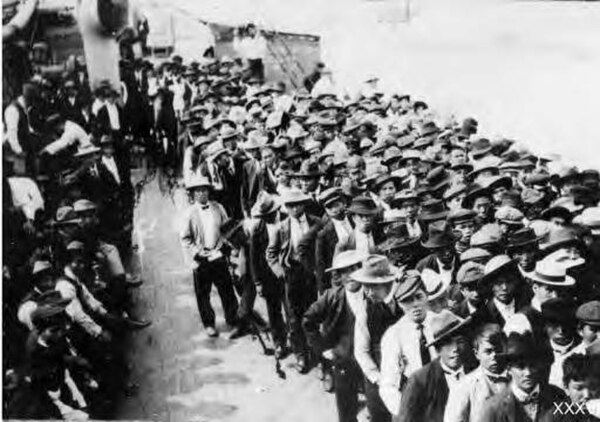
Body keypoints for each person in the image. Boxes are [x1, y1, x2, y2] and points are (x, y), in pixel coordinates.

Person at [303, 250, 365, 422]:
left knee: (379, 408)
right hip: (344, 360)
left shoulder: (372, 293)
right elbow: (308, 320)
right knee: (346, 410)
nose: (350, 276)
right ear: (339, 276)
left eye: (354, 269)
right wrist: (323, 349)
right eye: (345, 271)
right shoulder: (331, 297)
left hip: (372, 361)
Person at [266, 189, 322, 373]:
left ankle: (317, 352)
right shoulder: (281, 228)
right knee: (294, 317)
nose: (294, 209)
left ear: (304, 204)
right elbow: (271, 254)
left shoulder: (316, 222)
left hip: (312, 274)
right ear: (286, 208)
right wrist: (280, 272)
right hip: (292, 275)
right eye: (290, 205)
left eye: (297, 204)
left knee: (314, 312)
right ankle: (301, 354)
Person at [180, 175, 240, 338]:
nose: (202, 194)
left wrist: (229, 249)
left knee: (227, 289)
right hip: (202, 258)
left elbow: (228, 229)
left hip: (218, 253)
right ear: (193, 194)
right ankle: (209, 324)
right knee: (203, 293)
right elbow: (185, 238)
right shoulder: (189, 213)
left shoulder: (218, 207)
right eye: (198, 191)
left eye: (204, 190)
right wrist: (197, 252)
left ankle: (233, 319)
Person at [352, 255, 403, 422]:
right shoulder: (365, 310)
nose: (367, 292)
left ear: (386, 283)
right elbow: (361, 351)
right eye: (365, 287)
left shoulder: (404, 299)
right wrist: (379, 379)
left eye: (371, 287)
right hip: (379, 376)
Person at [397, 310, 474, 422]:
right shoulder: (419, 381)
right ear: (438, 349)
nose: (455, 349)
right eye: (447, 343)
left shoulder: (475, 368)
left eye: (460, 341)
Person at [379, 270, 436, 416]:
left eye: (418, 297)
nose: (415, 304)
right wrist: (406, 413)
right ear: (399, 304)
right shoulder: (394, 334)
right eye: (407, 300)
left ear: (427, 296)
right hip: (413, 400)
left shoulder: (442, 321)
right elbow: (387, 385)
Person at [480, 333, 567, 422]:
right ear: (508, 368)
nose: (528, 373)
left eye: (532, 366)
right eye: (520, 367)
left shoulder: (558, 396)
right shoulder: (493, 407)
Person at [444, 323, 509, 422]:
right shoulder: (463, 386)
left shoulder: (519, 377)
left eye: (498, 350)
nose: (494, 356)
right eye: (488, 351)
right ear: (477, 354)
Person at [249, 191, 287, 356]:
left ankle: (299, 342)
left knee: (291, 309)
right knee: (274, 310)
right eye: (264, 216)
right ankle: (279, 342)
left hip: (287, 273)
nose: (267, 218)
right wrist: (258, 282)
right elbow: (254, 258)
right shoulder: (258, 228)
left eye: (270, 214)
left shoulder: (287, 219)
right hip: (268, 276)